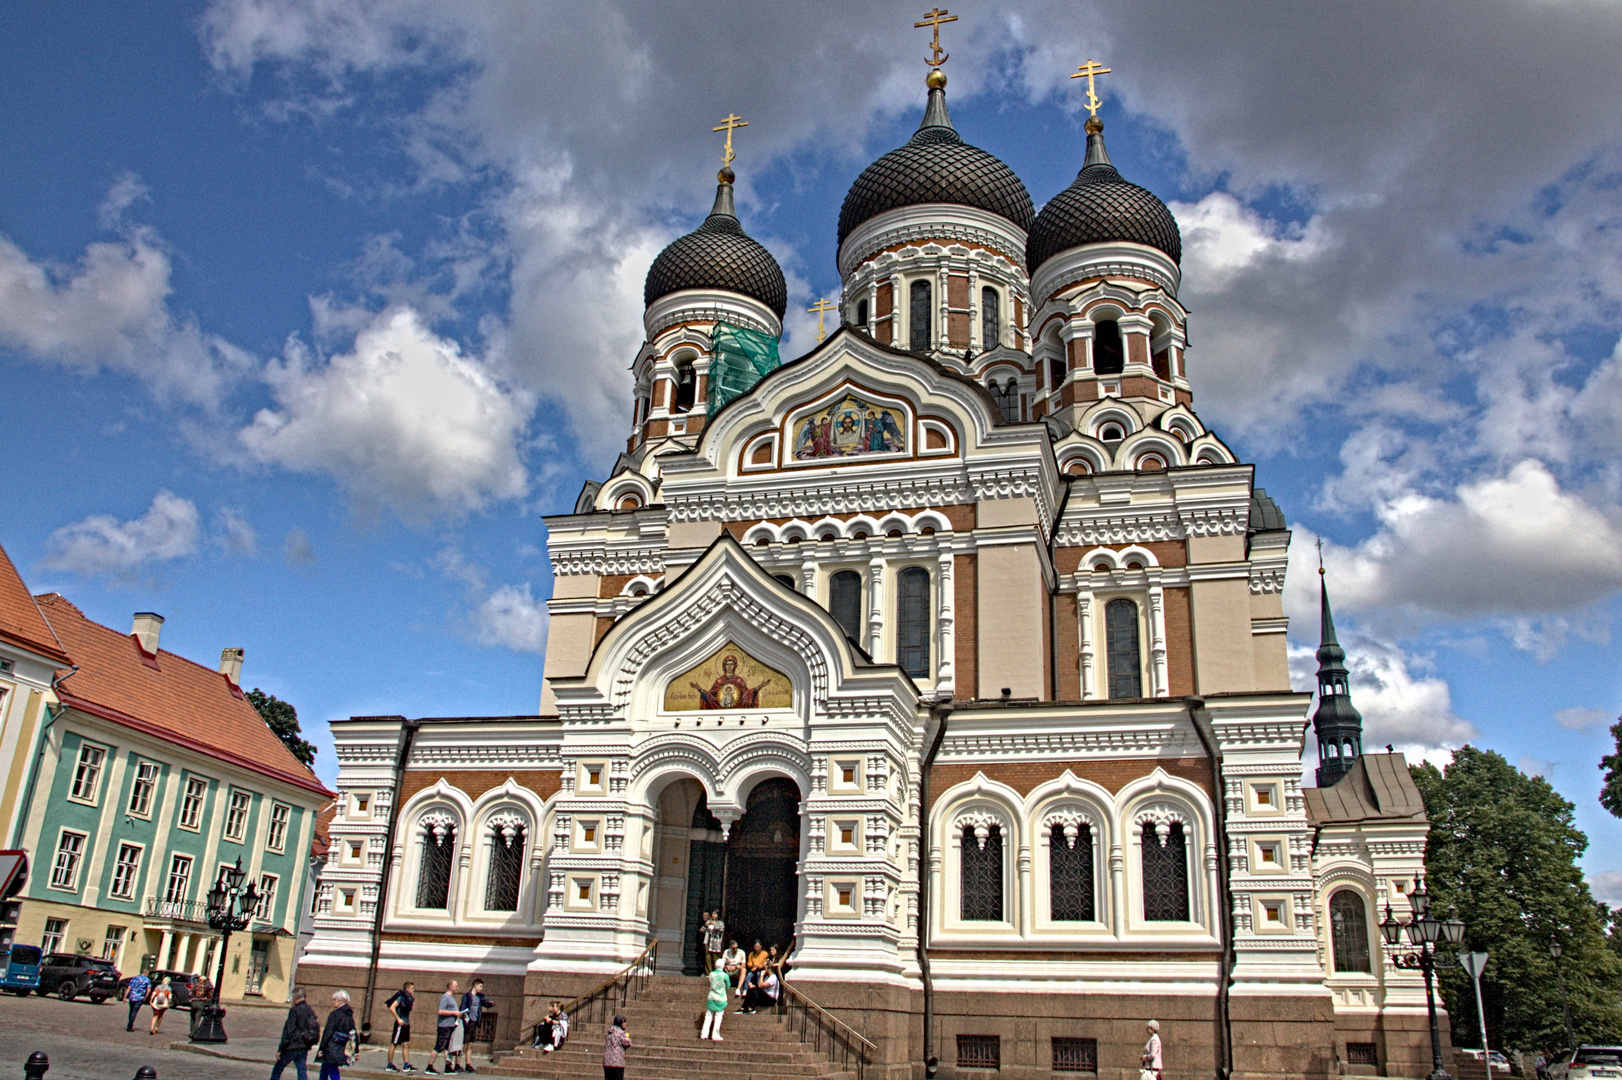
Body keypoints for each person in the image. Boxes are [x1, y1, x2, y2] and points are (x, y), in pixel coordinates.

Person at [270, 986, 323, 1080]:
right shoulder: (309, 1010)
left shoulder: (294, 1010)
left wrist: (281, 1049)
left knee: (278, 1068)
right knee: (302, 1071)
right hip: (304, 1045)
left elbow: (289, 1030)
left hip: (292, 1046)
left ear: (295, 997)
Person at [453, 978, 490, 1074]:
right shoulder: (467, 996)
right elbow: (463, 1008)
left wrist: (490, 1003)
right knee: (463, 1043)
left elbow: (485, 1003)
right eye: (480, 986)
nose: (481, 988)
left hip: (474, 1022)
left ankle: (468, 1064)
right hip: (467, 1022)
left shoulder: (480, 996)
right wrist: (465, 1018)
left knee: (471, 1044)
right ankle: (457, 1064)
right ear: (475, 986)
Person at [317, 990, 356, 1080]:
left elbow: (328, 1032)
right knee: (325, 1068)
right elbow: (353, 1033)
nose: (333, 1002)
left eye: (334, 1000)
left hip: (331, 1047)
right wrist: (356, 1051)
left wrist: (321, 1048)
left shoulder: (335, 1015)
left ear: (340, 1001)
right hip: (341, 1047)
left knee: (332, 1070)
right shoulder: (349, 1016)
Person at [426, 979, 460, 1074]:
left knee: (448, 1048)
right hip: (444, 1026)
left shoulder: (452, 998)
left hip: (450, 1026)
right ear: (451, 987)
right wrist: (454, 1012)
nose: (458, 988)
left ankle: (448, 1067)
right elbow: (441, 1011)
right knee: (439, 1046)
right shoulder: (445, 997)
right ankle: (429, 1066)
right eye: (456, 986)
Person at [385, 980, 416, 1072]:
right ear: (407, 989)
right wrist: (398, 1019)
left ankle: (406, 1065)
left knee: (406, 1044)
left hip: (406, 1024)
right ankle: (389, 1065)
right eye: (412, 988)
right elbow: (392, 1008)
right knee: (394, 1043)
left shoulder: (409, 998)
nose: (414, 990)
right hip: (400, 1024)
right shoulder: (401, 997)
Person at [700, 959, 729, 1041]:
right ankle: (715, 1034)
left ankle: (704, 1034)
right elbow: (728, 986)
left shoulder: (711, 974)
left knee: (708, 1016)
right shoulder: (725, 975)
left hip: (711, 997)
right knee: (718, 1016)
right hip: (721, 997)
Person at [603, 1013, 631, 1080]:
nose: (625, 1024)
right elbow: (627, 1043)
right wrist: (627, 1037)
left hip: (607, 1061)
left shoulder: (610, 1032)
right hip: (617, 1062)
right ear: (620, 1023)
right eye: (624, 1022)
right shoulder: (620, 1032)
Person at [124, 968, 151, 1032]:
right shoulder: (147, 980)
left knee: (131, 1011)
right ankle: (130, 1026)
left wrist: (125, 996)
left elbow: (129, 988)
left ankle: (130, 1024)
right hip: (140, 998)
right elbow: (148, 990)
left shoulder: (135, 978)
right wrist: (146, 997)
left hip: (132, 996)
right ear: (146, 974)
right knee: (134, 1012)